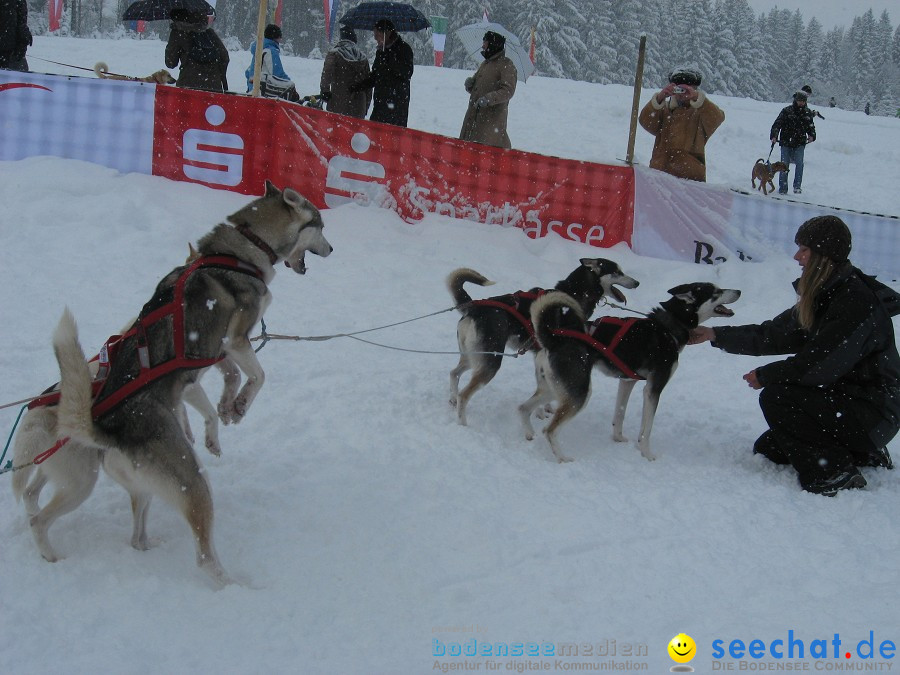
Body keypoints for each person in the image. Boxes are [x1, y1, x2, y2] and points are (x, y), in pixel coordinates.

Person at [690, 215, 900, 497]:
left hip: (874, 412)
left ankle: (835, 473)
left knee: (778, 397)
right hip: (852, 403)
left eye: (804, 249)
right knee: (770, 448)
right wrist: (716, 335)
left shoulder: (854, 303)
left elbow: (819, 366)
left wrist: (766, 375)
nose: (797, 256)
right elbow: (775, 333)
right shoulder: (827, 293)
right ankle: (864, 454)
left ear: (823, 255)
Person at [638, 67, 725, 182]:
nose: (681, 94)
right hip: (659, 173)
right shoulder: (664, 110)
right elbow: (645, 121)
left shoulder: (700, 112)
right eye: (678, 89)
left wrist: (696, 97)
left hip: (689, 178)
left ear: (695, 89)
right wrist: (660, 97)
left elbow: (717, 117)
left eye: (686, 89)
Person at [458, 30, 517, 149]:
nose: (482, 45)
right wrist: (470, 84)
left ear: (493, 44)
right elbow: (480, 86)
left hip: (491, 122)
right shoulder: (485, 63)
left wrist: (489, 99)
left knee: (486, 156)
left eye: (485, 42)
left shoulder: (506, 65)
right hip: (473, 118)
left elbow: (508, 91)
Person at [350, 18, 413, 127]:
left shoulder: (404, 49)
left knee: (392, 140)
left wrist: (389, 60)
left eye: (377, 35)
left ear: (387, 33)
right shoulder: (381, 51)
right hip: (380, 104)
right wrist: (359, 86)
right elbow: (375, 76)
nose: (375, 38)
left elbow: (407, 72)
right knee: (374, 135)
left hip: (397, 106)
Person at [165, 9, 229, 93]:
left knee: (186, 106)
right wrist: (220, 79)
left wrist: (170, 48)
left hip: (188, 85)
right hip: (213, 87)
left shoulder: (178, 32)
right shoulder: (209, 33)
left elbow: (170, 63)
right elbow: (224, 57)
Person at [770, 89, 816, 194]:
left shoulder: (807, 112)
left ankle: (797, 186)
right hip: (786, 142)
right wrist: (774, 135)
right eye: (799, 100)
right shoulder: (786, 110)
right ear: (795, 100)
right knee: (784, 165)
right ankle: (783, 188)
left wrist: (812, 135)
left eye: (803, 101)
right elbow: (777, 124)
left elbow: (811, 127)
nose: (801, 103)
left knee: (799, 164)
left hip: (800, 143)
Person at [319, 25, 371, 118]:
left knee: (337, 131)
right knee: (355, 132)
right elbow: (368, 86)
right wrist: (365, 106)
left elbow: (326, 75)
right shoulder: (363, 58)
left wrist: (325, 92)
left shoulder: (334, 54)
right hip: (359, 105)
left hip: (338, 102)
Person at [245, 24, 299, 102]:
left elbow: (248, 72)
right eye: (280, 37)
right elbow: (278, 74)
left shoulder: (259, 49)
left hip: (253, 91)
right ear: (276, 37)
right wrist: (291, 86)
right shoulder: (270, 51)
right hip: (265, 94)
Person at [0, 0, 32, 72]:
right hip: (10, 50)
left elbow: (22, 22)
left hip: (12, 52)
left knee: (17, 79)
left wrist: (24, 38)